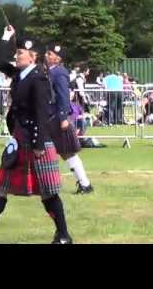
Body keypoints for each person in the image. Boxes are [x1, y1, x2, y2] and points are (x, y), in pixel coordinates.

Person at [0, 25, 72, 244]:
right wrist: (6, 36)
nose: (15, 55)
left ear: (33, 56)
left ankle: (63, 235)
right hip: (19, 140)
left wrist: (38, 144)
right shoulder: (20, 74)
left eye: (19, 53)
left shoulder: (39, 79)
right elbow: (0, 62)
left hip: (36, 142)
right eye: (16, 52)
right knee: (0, 187)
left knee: (48, 193)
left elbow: (41, 113)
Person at [45, 43, 93, 194]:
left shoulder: (59, 73)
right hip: (47, 116)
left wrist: (63, 117)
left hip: (55, 117)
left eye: (50, 53)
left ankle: (85, 183)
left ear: (58, 58)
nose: (46, 55)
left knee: (67, 152)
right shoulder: (49, 71)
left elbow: (63, 96)